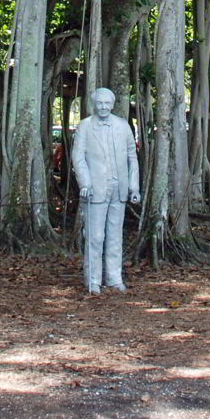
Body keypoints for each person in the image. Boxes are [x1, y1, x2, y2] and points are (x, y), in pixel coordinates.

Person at [70, 87, 140, 294]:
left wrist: (134, 187)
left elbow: (132, 157)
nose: (103, 107)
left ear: (112, 104)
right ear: (93, 104)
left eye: (107, 103)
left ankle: (114, 277)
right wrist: (85, 183)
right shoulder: (84, 126)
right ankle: (92, 279)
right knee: (95, 236)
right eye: (99, 103)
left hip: (119, 189)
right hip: (95, 189)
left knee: (115, 235)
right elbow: (78, 157)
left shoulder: (122, 125)